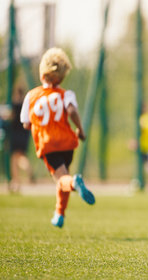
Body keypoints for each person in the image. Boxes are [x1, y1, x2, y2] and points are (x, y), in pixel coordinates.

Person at [20, 47, 95, 228]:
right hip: (67, 143)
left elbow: (26, 123)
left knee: (63, 179)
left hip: (49, 144)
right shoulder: (66, 94)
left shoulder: (32, 96)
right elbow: (72, 111)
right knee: (64, 177)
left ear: (42, 73)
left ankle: (75, 184)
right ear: (62, 77)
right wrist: (81, 129)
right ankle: (59, 214)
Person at [8, 86, 34, 193]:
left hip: (15, 134)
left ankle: (16, 181)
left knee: (14, 158)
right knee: (21, 156)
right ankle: (17, 180)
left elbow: (11, 116)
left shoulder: (15, 105)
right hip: (25, 134)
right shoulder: (26, 104)